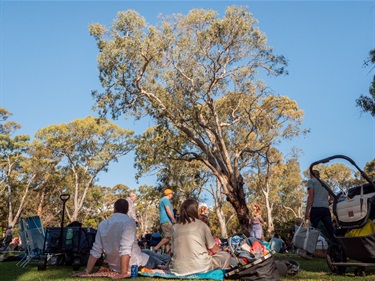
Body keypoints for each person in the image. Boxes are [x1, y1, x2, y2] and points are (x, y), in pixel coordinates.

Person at [75, 199, 135, 279]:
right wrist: (123, 273)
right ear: (127, 210)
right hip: (132, 264)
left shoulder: (102, 224)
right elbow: (125, 247)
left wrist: (87, 270)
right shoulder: (129, 221)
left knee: (147, 252)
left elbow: (96, 249)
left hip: (114, 266)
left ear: (114, 209)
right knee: (151, 255)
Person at [169, 199, 231, 276]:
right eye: (198, 209)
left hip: (177, 269)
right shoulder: (201, 225)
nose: (199, 212)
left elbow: (172, 253)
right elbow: (215, 250)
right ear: (194, 210)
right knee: (225, 255)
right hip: (200, 267)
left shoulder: (174, 228)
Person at [305, 169, 336, 243]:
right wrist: (327, 203)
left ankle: (310, 249)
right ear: (319, 176)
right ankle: (337, 245)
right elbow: (332, 197)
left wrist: (307, 211)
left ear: (311, 175)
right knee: (330, 229)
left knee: (313, 229)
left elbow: (311, 197)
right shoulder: (325, 184)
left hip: (316, 208)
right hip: (325, 209)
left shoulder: (311, 181)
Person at [153, 189, 176, 253]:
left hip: (164, 220)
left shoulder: (162, 200)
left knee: (167, 240)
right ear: (169, 194)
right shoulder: (166, 200)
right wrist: (173, 219)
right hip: (167, 220)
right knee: (169, 236)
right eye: (171, 194)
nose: (172, 195)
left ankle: (167, 253)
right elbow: (168, 210)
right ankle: (156, 248)